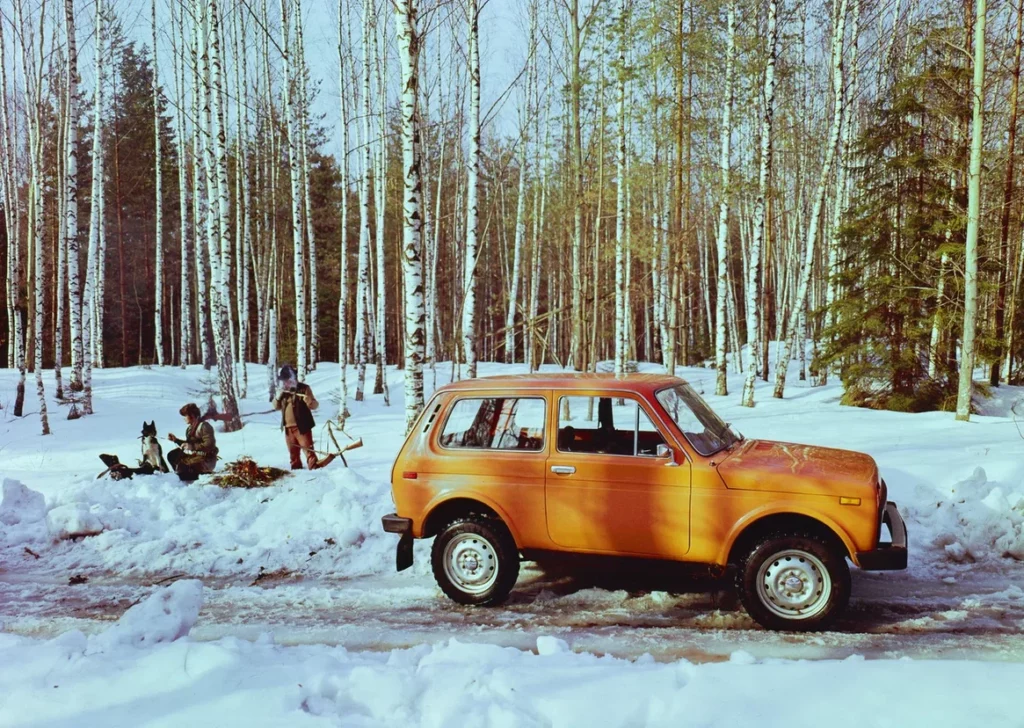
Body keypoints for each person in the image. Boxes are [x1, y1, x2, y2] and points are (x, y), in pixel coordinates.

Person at [273, 365, 336, 470]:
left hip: (302, 426)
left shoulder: (304, 388)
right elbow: (276, 406)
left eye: (287, 380)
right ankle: (297, 472)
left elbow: (315, 405)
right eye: (284, 381)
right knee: (293, 454)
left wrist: (309, 401)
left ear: (293, 378)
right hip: (288, 428)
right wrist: (277, 397)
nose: (285, 383)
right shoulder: (283, 392)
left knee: (309, 451)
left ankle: (315, 470)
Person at [167, 403, 219, 481]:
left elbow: (209, 444)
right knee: (172, 455)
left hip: (206, 459)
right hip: (195, 457)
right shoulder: (190, 429)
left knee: (183, 468)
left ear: (192, 415)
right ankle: (185, 473)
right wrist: (176, 440)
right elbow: (188, 444)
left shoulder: (204, 426)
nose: (184, 418)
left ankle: (202, 474)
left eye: (185, 416)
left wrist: (192, 447)